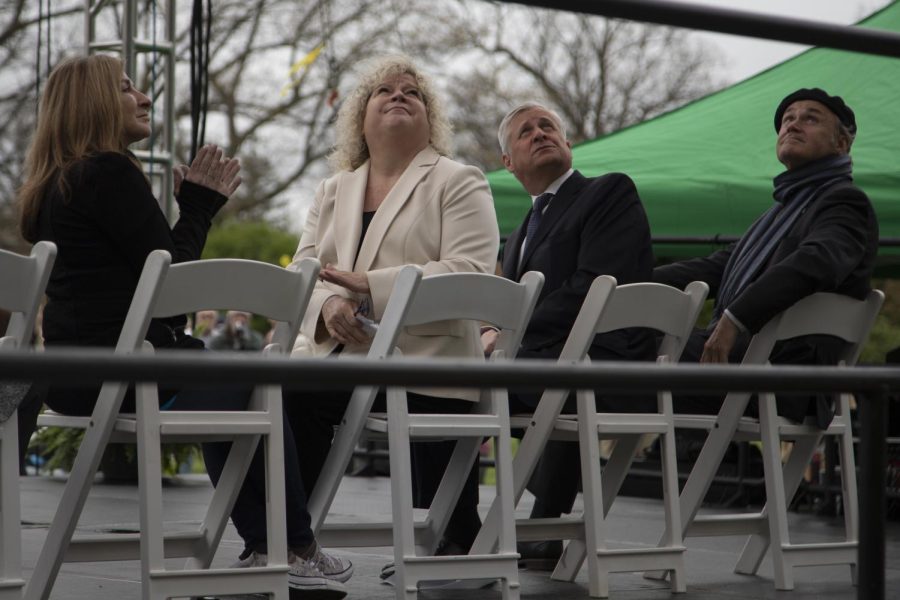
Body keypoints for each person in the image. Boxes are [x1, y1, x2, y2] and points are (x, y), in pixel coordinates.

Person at [17, 55, 351, 598]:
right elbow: (170, 288)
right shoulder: (108, 171)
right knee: (256, 380)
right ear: (93, 102)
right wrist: (199, 206)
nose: (143, 97)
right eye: (127, 88)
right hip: (124, 375)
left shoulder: (56, 184)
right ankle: (292, 546)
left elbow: (144, 282)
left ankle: (273, 545)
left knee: (229, 379)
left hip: (76, 378)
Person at [285, 55, 499, 559]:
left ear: (430, 119)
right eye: (384, 90)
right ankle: (286, 545)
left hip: (425, 365)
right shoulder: (332, 189)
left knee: (296, 394)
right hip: (337, 360)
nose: (399, 95)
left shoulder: (458, 179)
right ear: (361, 116)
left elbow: (470, 271)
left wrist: (370, 285)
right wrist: (330, 303)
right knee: (277, 392)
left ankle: (289, 545)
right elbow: (302, 271)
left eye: (413, 92)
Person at [480, 102, 656, 567]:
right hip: (552, 366)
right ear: (508, 163)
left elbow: (592, 288)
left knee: (454, 386)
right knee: (451, 379)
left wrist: (507, 332)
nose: (539, 133)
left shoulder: (608, 192)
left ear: (568, 142)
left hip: (606, 365)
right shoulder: (516, 236)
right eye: (525, 132)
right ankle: (506, 525)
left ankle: (460, 531)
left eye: (548, 126)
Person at [653, 88, 878, 428]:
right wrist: (624, 280)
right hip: (752, 363)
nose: (793, 125)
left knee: (615, 353)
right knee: (611, 348)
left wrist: (735, 318)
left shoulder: (845, 202)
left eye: (810, 118)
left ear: (841, 144)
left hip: (784, 378)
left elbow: (817, 261)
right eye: (788, 119)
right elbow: (716, 267)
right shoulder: (778, 215)